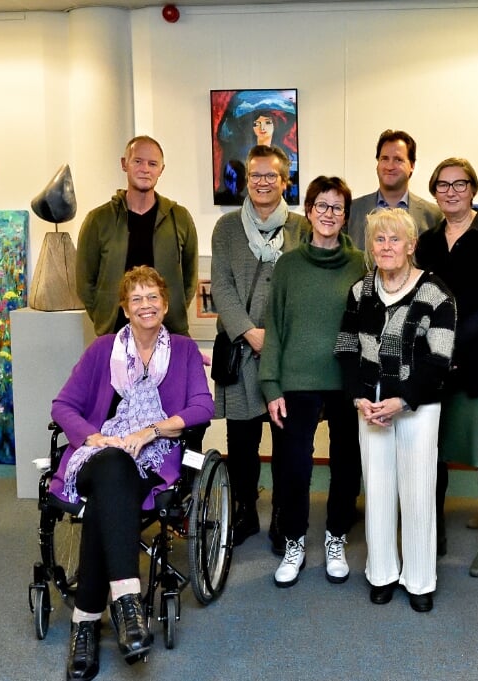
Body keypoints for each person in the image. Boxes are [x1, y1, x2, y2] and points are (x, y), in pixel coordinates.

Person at [50, 266, 213, 680]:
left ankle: (85, 623)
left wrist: (151, 430)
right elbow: (62, 406)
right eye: (136, 299)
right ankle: (127, 602)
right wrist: (93, 438)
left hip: (152, 460)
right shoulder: (102, 349)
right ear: (125, 308)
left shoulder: (183, 350)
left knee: (109, 497)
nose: (146, 305)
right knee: (112, 465)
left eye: (152, 297)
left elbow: (202, 407)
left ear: (165, 304)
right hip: (96, 458)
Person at [335, 208, 456, 613]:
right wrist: (359, 398)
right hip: (369, 403)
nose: (387, 247)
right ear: (371, 246)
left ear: (411, 245)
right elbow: (348, 349)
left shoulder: (436, 293)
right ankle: (382, 572)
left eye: (395, 239)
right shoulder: (360, 291)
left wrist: (402, 399)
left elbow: (439, 358)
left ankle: (420, 579)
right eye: (380, 240)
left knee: (418, 490)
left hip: (417, 405)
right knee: (379, 488)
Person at [259, 176, 366, 587]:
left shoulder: (360, 264)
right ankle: (294, 543)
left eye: (336, 208)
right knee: (294, 467)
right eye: (321, 206)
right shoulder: (288, 266)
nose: (328, 214)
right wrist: (271, 385)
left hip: (345, 380)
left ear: (345, 216)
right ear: (308, 211)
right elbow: (276, 328)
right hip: (296, 381)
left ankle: (336, 537)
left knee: (345, 465)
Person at [416, 158, 478, 578]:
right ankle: (433, 529)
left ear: (473, 189)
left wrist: (449, 341)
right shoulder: (426, 241)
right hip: (434, 365)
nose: (451, 191)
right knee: (432, 452)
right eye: (443, 185)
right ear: (435, 191)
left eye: (460, 184)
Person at [210, 145, 309, 552]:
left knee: (288, 441)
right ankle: (245, 509)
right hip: (240, 348)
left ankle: (285, 514)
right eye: (256, 176)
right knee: (242, 439)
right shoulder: (227, 228)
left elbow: (308, 289)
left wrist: (277, 336)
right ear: (246, 180)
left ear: (285, 181)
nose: (263, 182)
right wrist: (250, 332)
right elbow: (221, 286)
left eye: (271, 176)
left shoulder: (302, 228)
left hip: (287, 353)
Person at [76, 135, 198, 338]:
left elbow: (190, 278)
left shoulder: (179, 217)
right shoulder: (98, 220)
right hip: (114, 333)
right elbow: (85, 282)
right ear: (125, 164)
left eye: (152, 164)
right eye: (138, 161)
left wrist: (171, 310)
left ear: (161, 169)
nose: (145, 169)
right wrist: (104, 316)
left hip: (170, 333)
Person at [346, 130, 442, 250]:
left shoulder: (433, 215)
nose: (390, 166)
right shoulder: (352, 210)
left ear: (412, 166)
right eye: (384, 159)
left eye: (398, 159)